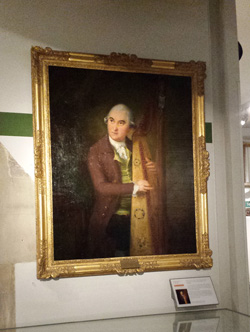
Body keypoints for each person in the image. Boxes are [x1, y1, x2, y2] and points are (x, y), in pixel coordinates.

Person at [87, 104, 155, 258]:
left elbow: (144, 179)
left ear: (130, 127)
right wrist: (134, 188)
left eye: (121, 123)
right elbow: (101, 187)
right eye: (111, 121)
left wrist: (152, 171)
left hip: (137, 212)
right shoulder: (96, 151)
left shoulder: (135, 147)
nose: (114, 128)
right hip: (111, 216)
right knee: (123, 241)